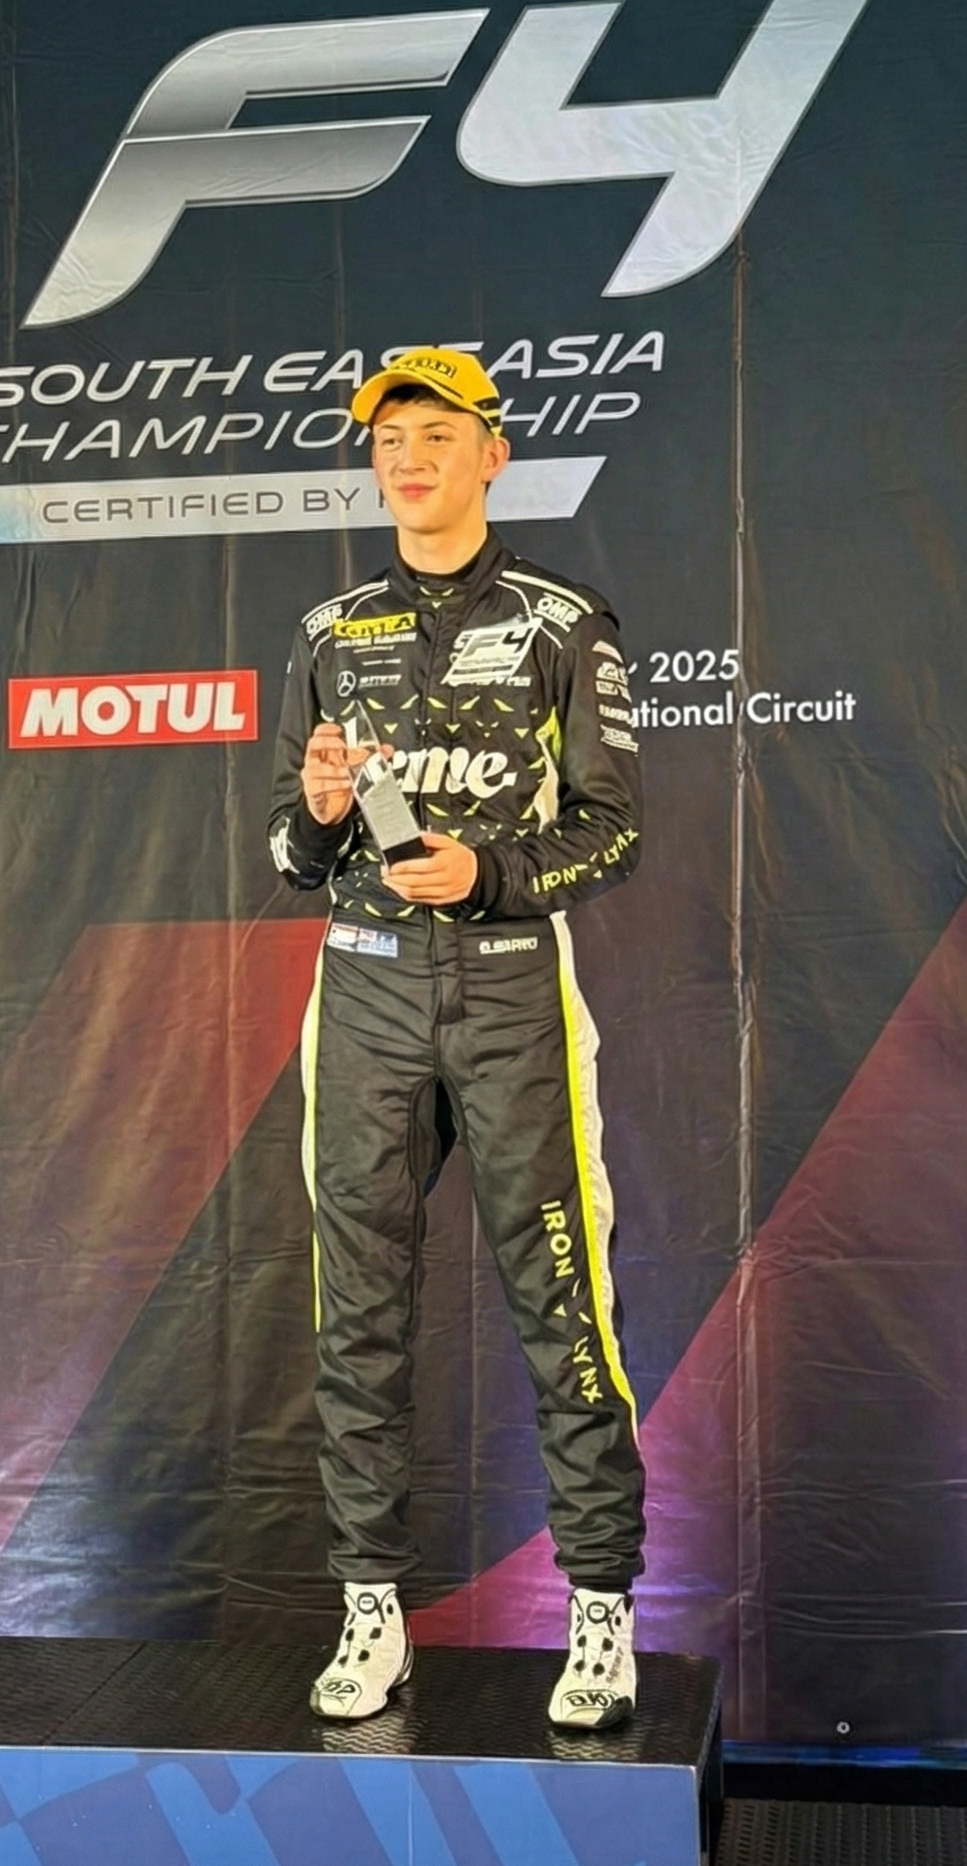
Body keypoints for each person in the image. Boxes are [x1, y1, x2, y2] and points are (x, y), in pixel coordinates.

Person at [267, 347, 645, 1728]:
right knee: (354, 1312)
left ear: (493, 453)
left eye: (437, 434)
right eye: (389, 440)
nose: (409, 459)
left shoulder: (562, 620)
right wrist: (315, 813)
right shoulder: (328, 629)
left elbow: (615, 829)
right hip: (361, 990)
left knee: (563, 1301)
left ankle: (600, 1613)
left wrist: (485, 875)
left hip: (503, 989)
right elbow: (288, 857)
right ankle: (372, 1609)